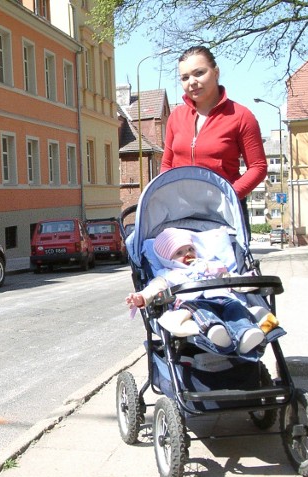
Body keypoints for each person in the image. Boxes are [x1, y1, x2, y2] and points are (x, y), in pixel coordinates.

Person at [161, 46, 267, 235]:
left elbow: (258, 167)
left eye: (199, 73)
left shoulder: (241, 116)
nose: (192, 82)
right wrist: (169, 196)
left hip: (225, 215)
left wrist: (229, 195)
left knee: (224, 265)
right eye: (185, 78)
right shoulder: (176, 117)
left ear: (216, 72)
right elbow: (167, 166)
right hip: (182, 213)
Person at [125, 228, 278, 356]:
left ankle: (246, 335)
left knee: (236, 310)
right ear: (167, 259)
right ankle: (214, 330)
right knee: (204, 313)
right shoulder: (168, 274)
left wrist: (249, 280)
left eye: (191, 249)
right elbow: (154, 288)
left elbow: (230, 279)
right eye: (179, 253)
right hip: (196, 304)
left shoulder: (209, 266)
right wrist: (141, 297)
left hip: (224, 298)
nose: (187, 254)